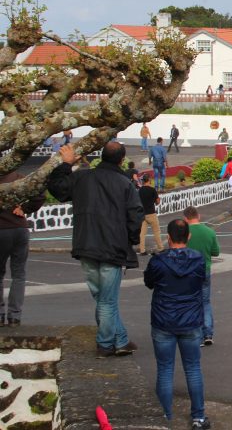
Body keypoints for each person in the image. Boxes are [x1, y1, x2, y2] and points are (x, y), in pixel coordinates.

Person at [47, 142, 143, 357]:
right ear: (121, 160)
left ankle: (121, 339)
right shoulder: (124, 183)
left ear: (101, 157)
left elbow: (56, 187)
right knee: (107, 300)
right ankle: (106, 344)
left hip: (86, 245)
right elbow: (136, 215)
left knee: (102, 298)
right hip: (113, 247)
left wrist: (66, 164)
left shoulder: (82, 178)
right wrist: (130, 240)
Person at [144, 219, 210, 429]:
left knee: (164, 369)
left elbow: (149, 283)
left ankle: (164, 417)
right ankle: (198, 417)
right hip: (190, 321)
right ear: (188, 236)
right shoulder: (198, 260)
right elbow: (202, 280)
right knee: (192, 368)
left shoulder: (158, 261)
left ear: (169, 237)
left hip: (164, 320)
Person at [0, 170, 45, 326]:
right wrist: (25, 209)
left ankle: (0, 315)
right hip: (19, 228)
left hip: (1, 230)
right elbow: (39, 193)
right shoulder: (17, 176)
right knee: (19, 274)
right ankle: (15, 315)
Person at [183, 206, 220, 346]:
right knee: (205, 302)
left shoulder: (184, 233)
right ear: (198, 216)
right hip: (204, 269)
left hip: (188, 270)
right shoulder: (209, 232)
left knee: (191, 302)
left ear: (185, 218)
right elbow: (216, 252)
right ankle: (208, 333)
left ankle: (195, 334)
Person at [138, 174, 164, 255]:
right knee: (156, 231)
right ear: (149, 180)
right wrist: (158, 199)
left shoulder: (140, 190)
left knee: (142, 233)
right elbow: (157, 202)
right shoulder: (152, 190)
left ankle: (142, 250)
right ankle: (160, 248)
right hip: (151, 213)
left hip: (143, 214)